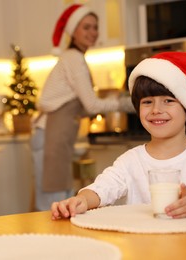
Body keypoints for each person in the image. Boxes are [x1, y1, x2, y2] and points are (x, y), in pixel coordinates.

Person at [51, 51, 186, 220]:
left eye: (168, 101)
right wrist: (81, 200)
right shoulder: (130, 161)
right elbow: (102, 189)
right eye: (147, 102)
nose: (156, 110)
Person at [30, 4, 134, 211]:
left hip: (54, 133)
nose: (93, 33)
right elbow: (92, 104)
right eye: (86, 27)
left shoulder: (74, 58)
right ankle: (51, 242)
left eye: (95, 27)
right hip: (51, 133)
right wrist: (127, 104)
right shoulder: (73, 58)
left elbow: (83, 107)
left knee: (57, 195)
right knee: (53, 199)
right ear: (73, 30)